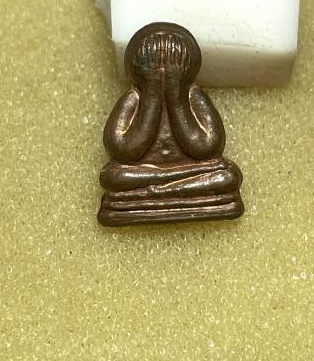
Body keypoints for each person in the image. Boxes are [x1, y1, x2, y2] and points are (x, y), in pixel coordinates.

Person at [98, 22, 244, 226]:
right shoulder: (133, 99)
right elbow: (123, 150)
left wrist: (175, 96)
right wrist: (153, 96)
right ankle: (168, 191)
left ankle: (155, 192)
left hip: (188, 173)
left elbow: (207, 147)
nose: (163, 71)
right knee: (114, 176)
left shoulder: (194, 96)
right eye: (153, 65)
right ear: (137, 68)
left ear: (188, 69)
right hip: (144, 175)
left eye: (174, 64)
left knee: (226, 175)